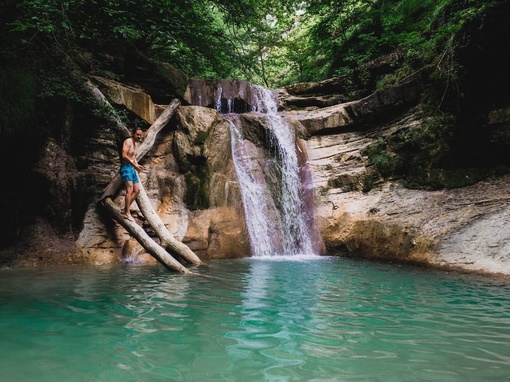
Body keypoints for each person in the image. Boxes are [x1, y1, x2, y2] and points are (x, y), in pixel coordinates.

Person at [120, 127, 145, 221]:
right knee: (129, 189)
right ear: (133, 134)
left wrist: (137, 165)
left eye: (140, 135)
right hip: (126, 168)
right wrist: (134, 165)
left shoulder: (135, 144)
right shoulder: (128, 141)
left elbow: (133, 157)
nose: (139, 136)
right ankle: (127, 213)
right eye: (137, 134)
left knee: (137, 190)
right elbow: (124, 156)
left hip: (132, 169)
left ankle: (125, 208)